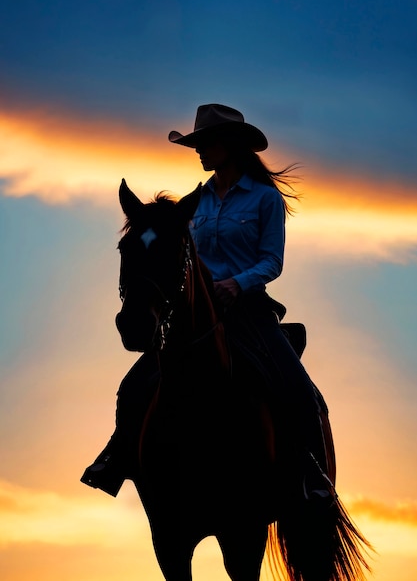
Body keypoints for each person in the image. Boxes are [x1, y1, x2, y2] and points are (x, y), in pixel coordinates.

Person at [81, 103, 330, 498]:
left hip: (248, 308)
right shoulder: (194, 204)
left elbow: (272, 261)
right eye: (196, 145)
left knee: (298, 388)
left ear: (230, 145)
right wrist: (144, 237)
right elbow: (163, 249)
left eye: (206, 143)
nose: (198, 151)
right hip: (195, 311)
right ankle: (117, 457)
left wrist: (236, 283)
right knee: (132, 388)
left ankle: (312, 475)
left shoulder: (264, 199)